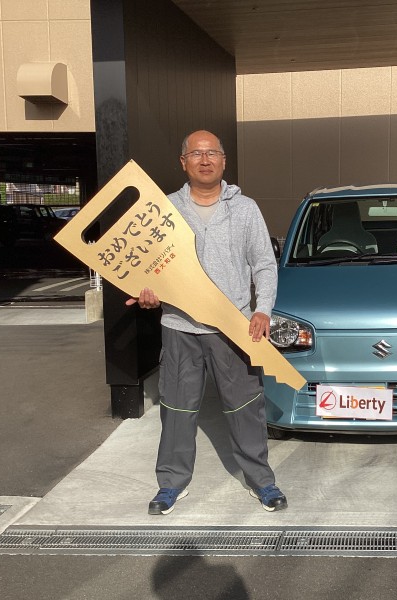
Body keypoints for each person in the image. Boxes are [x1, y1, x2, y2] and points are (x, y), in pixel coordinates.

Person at [127, 130, 286, 515]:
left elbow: (264, 264)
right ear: (183, 162)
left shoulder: (245, 209)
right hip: (179, 326)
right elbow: (148, 267)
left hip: (233, 327)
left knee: (245, 406)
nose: (205, 159)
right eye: (196, 153)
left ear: (223, 161)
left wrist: (263, 309)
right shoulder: (164, 209)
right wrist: (147, 292)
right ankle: (171, 483)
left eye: (212, 152)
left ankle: (261, 480)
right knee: (177, 409)